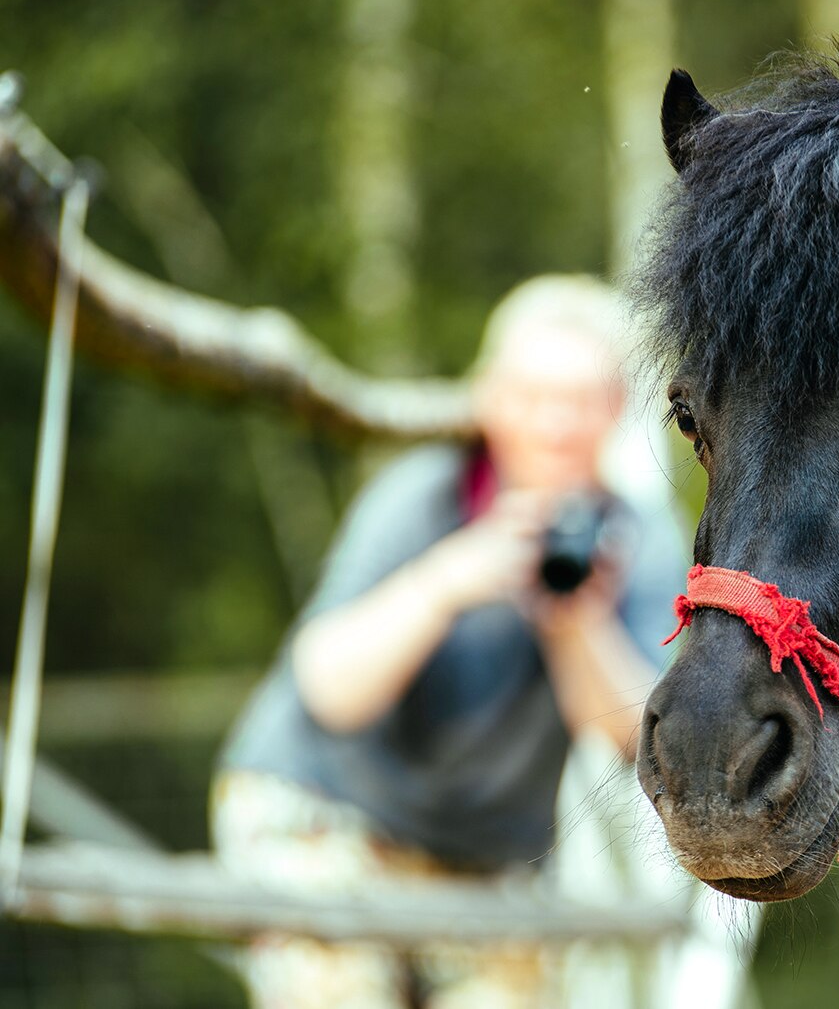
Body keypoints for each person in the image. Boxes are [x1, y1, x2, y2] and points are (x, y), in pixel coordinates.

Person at [212, 274, 686, 1009]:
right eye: (535, 398)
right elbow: (328, 691)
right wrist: (446, 582)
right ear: (490, 399)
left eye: (581, 401)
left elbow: (627, 735)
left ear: (616, 409)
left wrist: (574, 619)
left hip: (487, 856)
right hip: (324, 811)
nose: (557, 425)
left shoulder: (640, 540)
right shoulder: (424, 495)